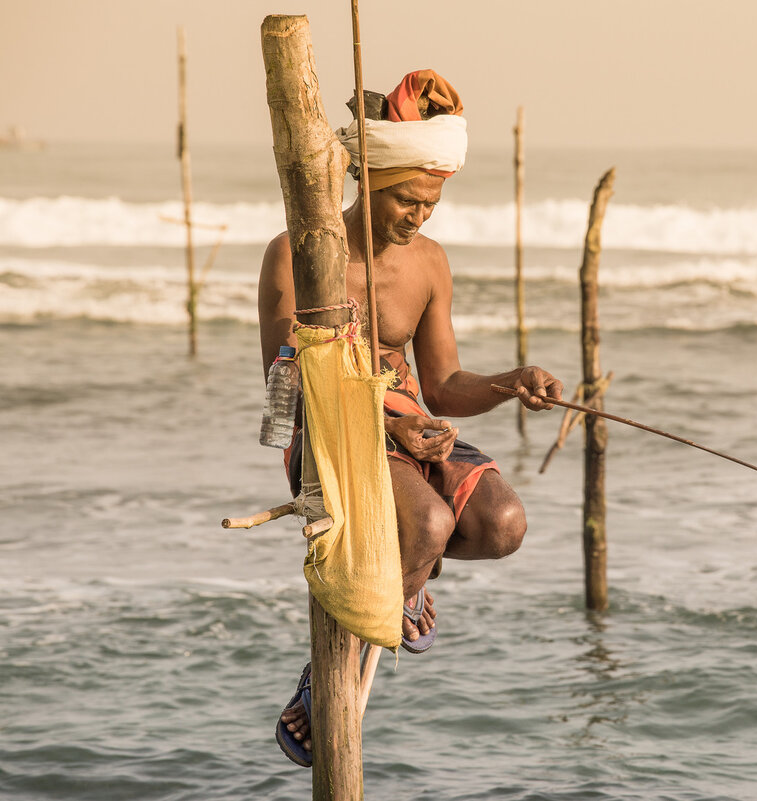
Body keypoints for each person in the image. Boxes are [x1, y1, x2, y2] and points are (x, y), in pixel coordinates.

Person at [259, 70, 563, 767]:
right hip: (331, 433)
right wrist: (381, 422)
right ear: (368, 177)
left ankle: (406, 575)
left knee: (504, 523)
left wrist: (511, 381)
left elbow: (446, 386)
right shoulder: (297, 255)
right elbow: (286, 380)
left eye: (430, 203)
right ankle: (330, 668)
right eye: (406, 199)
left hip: (408, 430)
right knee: (427, 521)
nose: (419, 215)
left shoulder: (428, 264)